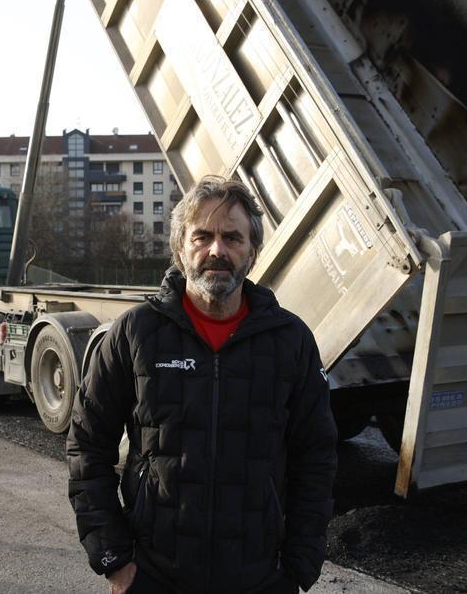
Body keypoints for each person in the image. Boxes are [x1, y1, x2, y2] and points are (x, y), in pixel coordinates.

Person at [67, 175, 338, 593]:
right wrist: (115, 559)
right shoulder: (135, 334)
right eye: (202, 236)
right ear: (180, 248)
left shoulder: (290, 341)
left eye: (232, 237)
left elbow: (315, 458)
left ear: (252, 252)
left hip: (259, 577)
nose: (217, 250)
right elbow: (87, 445)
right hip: (153, 575)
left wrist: (300, 567)